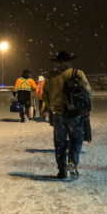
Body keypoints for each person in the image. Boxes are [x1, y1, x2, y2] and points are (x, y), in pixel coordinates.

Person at [42, 51, 92, 179]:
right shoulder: (77, 73)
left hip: (58, 115)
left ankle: (62, 171)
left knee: (60, 144)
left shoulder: (51, 76)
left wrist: (53, 107)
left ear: (57, 62)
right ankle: (72, 161)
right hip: (75, 114)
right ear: (69, 61)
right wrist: (86, 109)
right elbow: (88, 92)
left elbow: (44, 96)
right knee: (77, 140)